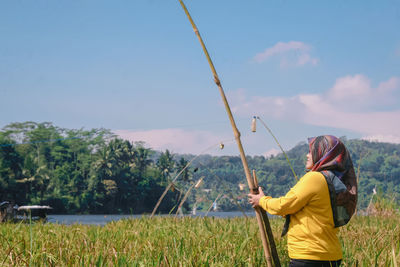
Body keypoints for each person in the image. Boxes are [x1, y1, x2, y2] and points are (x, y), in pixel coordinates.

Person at [248, 135, 357, 267]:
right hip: (330, 255)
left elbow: (285, 205)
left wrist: (261, 201)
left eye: (311, 152)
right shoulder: (333, 181)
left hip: (310, 256)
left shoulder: (315, 178)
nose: (307, 155)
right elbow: (301, 209)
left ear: (322, 154)